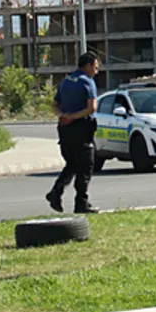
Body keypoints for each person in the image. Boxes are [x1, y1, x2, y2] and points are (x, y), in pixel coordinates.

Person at [47, 53, 101, 214]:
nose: (97, 70)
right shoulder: (87, 82)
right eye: (96, 66)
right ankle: (81, 203)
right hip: (81, 128)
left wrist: (63, 116)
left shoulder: (66, 81)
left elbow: (54, 105)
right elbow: (92, 108)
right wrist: (73, 117)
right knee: (85, 166)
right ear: (88, 66)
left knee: (72, 164)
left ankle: (56, 192)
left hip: (64, 129)